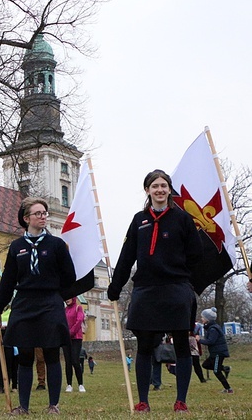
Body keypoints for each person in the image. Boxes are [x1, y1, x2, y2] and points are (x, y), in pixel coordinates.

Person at [108, 169, 203, 414]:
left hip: (176, 288)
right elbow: (127, 255)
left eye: (163, 186)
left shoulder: (182, 219)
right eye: (155, 186)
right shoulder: (139, 219)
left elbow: (196, 254)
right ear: (147, 190)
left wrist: (186, 279)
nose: (159, 190)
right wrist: (115, 285)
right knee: (145, 345)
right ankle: (143, 401)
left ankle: (181, 400)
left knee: (182, 344)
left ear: (169, 189)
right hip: (146, 289)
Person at [0, 197, 76, 415]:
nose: (43, 216)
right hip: (24, 303)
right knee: (25, 355)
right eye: (38, 213)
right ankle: (24, 406)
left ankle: (53, 405)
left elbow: (69, 275)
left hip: (49, 303)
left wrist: (63, 296)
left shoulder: (56, 245)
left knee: (51, 353)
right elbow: (8, 280)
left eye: (44, 212)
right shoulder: (17, 247)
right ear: (26, 218)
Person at [199, 307, 233, 393]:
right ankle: (225, 368)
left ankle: (228, 389)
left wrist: (199, 340)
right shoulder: (210, 328)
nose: (201, 319)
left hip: (218, 352)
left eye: (203, 317)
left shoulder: (213, 329)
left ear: (208, 319)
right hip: (214, 353)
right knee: (205, 365)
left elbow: (211, 341)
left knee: (216, 371)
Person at [63, 298, 86, 393]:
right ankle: (69, 384)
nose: (66, 300)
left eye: (68, 298)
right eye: (65, 299)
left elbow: (79, 320)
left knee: (75, 361)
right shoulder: (64, 310)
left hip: (76, 338)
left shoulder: (78, 308)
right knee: (68, 362)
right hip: (66, 339)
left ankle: (80, 384)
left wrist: (71, 332)